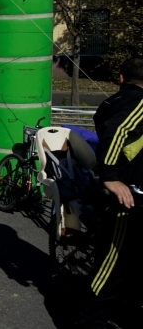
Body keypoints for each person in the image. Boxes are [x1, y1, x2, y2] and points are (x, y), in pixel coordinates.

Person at [79, 58, 143, 327]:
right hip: (129, 191)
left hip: (124, 185)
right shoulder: (139, 102)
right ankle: (89, 319)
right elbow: (117, 131)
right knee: (113, 260)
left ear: (120, 78)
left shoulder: (109, 102)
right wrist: (111, 177)